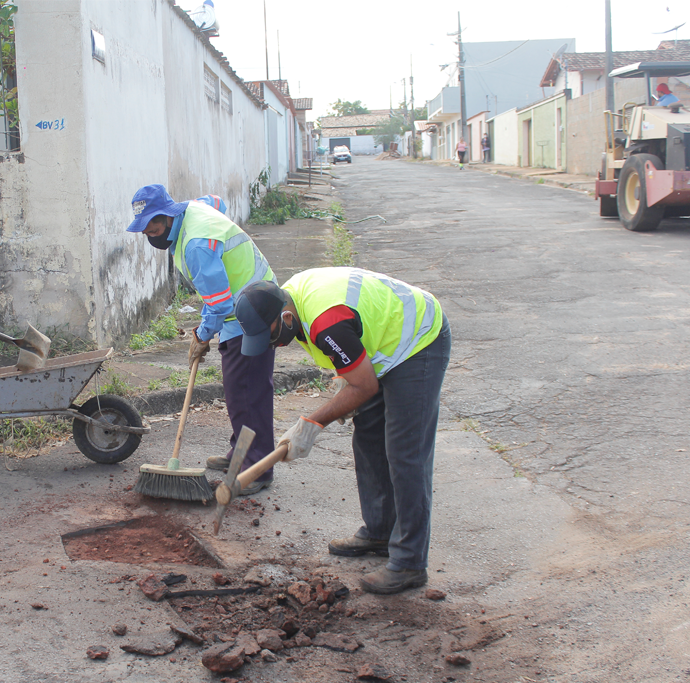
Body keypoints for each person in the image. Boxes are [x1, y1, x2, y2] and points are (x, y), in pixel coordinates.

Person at [233, 268, 451, 595]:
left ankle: (409, 562)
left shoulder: (325, 321)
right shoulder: (287, 300)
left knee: (406, 454)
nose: (273, 345)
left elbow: (363, 385)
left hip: (417, 342)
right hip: (379, 348)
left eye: (272, 335)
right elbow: (357, 377)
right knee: (368, 437)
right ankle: (380, 532)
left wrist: (311, 424)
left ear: (287, 315)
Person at [126, 184, 277, 495]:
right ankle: (241, 450)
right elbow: (216, 201)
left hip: (253, 310)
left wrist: (202, 335)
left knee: (247, 393)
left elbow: (219, 304)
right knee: (240, 392)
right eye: (144, 228)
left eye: (153, 224)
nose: (149, 233)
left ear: (169, 215)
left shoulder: (195, 245)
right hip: (248, 301)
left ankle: (257, 468)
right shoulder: (193, 209)